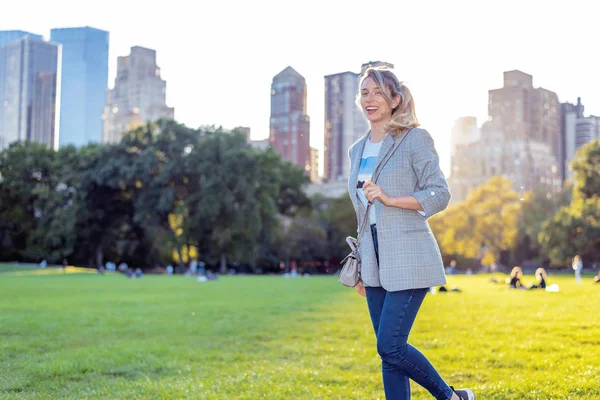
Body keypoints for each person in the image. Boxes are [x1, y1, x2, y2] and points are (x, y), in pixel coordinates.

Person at [347, 66, 474, 400]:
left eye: (377, 92)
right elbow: (362, 213)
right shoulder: (356, 150)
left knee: (390, 345)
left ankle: (451, 398)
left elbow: (439, 193)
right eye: (364, 92)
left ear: (395, 99)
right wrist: (359, 264)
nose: (369, 99)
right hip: (373, 261)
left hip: (409, 257)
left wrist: (389, 198)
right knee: (389, 353)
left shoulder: (415, 138)